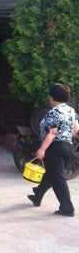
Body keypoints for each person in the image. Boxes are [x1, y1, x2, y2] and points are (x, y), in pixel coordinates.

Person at [27, 83, 79, 216]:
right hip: (68, 147)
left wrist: (42, 149)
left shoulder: (53, 112)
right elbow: (76, 129)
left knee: (58, 179)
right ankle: (37, 195)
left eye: (50, 96)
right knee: (52, 174)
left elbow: (51, 133)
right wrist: (66, 136)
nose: (49, 98)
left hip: (55, 148)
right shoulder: (71, 111)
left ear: (52, 97)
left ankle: (67, 208)